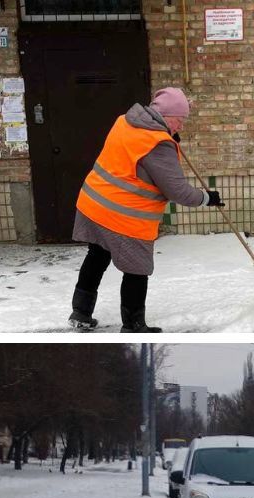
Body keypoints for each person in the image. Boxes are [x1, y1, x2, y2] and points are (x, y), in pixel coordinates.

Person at [68, 87, 224, 332]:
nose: (181, 126)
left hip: (94, 202)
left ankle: (80, 312)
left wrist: (169, 137)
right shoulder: (158, 144)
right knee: (137, 270)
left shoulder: (125, 121)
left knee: (97, 255)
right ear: (167, 115)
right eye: (180, 120)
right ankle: (133, 326)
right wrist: (207, 198)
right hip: (124, 216)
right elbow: (178, 192)